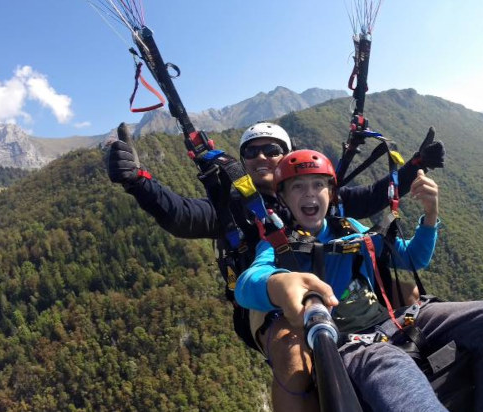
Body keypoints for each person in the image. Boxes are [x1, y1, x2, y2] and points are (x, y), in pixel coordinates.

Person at [107, 121, 444, 411]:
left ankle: (413, 374)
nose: (262, 157)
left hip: (325, 277)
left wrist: (415, 167)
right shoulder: (233, 209)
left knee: (408, 291)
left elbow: (373, 195)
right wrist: (138, 182)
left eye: (271, 149)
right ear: (243, 162)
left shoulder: (309, 194)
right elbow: (181, 214)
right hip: (265, 297)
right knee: (291, 346)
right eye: (251, 152)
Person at [235, 150, 483, 411]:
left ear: (331, 193)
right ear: (283, 197)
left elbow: (411, 258)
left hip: (394, 320)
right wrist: (279, 284)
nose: (310, 194)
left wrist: (430, 217)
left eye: (318, 185)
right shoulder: (279, 245)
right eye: (298, 186)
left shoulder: (349, 227)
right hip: (350, 345)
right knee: (394, 365)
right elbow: (248, 284)